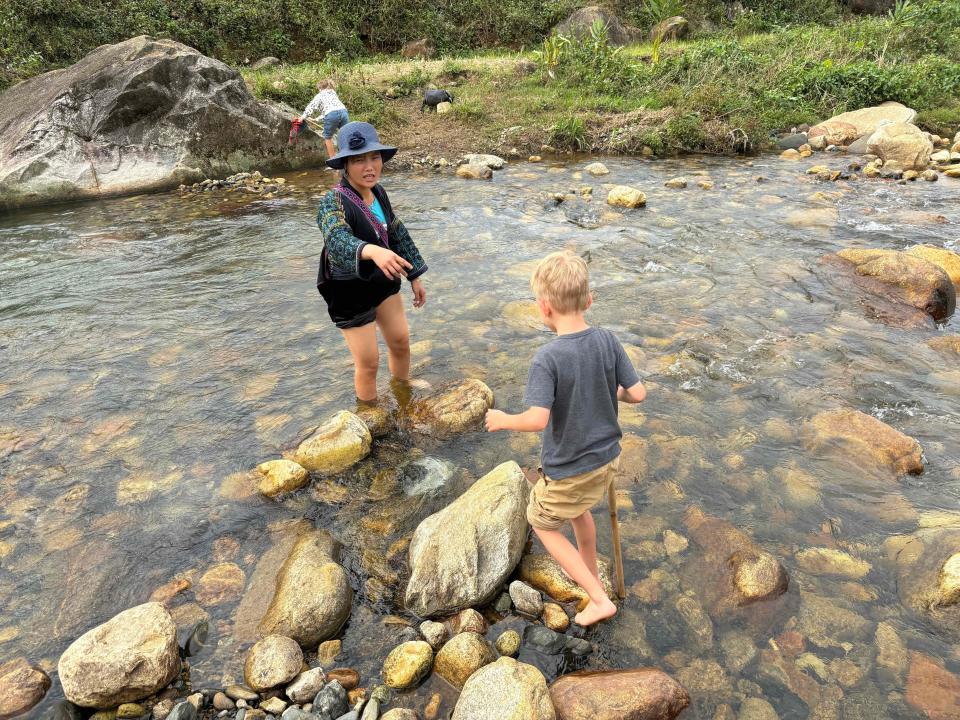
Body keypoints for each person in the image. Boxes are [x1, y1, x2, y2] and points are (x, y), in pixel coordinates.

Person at [485, 250, 646, 626]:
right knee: (578, 512)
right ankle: (588, 572)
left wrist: (505, 419)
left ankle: (599, 598)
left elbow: (538, 419)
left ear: (543, 308)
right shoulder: (607, 340)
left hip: (570, 468)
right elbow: (637, 393)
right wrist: (610, 392)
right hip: (607, 459)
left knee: (542, 523)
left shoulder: (548, 357)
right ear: (589, 300)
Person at [315, 121, 427, 404]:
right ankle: (370, 414)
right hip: (348, 291)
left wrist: (414, 274)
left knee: (400, 342)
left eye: (374, 157)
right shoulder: (332, 201)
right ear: (344, 165)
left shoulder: (378, 192)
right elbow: (336, 239)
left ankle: (403, 392)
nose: (369, 167)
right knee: (369, 362)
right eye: (358, 160)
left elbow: (396, 230)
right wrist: (372, 251)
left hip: (381, 280)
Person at [300, 79, 350, 161]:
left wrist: (302, 117)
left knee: (328, 137)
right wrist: (317, 119)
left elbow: (311, 106)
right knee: (345, 134)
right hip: (344, 112)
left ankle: (333, 160)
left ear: (320, 88)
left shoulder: (320, 95)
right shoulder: (333, 93)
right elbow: (331, 109)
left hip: (331, 114)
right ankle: (348, 157)